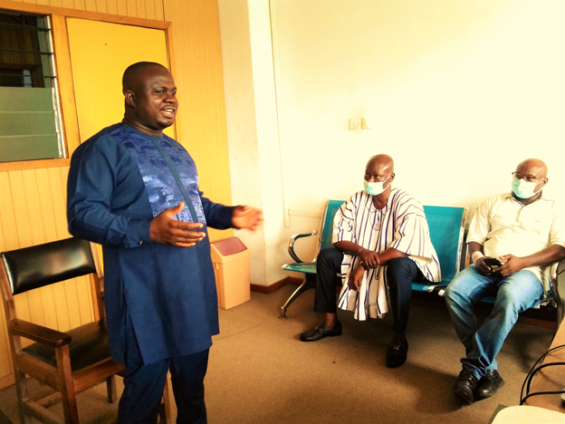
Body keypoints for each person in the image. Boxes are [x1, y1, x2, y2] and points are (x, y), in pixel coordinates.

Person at [67, 62, 262, 423]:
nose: (171, 99)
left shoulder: (176, 150)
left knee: (192, 391)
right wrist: (148, 230)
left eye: (173, 92)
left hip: (190, 292)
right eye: (159, 91)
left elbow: (194, 203)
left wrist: (228, 215)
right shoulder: (102, 149)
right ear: (130, 97)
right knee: (143, 397)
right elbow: (82, 215)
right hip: (144, 297)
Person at [300, 154, 441, 368]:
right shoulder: (356, 200)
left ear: (391, 177)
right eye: (367, 175)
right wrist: (363, 252)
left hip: (405, 260)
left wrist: (363, 265)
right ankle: (330, 324)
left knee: (399, 268)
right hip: (365, 255)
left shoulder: (407, 203)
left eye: (377, 176)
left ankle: (399, 337)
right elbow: (339, 237)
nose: (371, 181)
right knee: (326, 257)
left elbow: (405, 248)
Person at [445, 158, 565, 405]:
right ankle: (488, 369)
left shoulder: (555, 208)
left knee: (509, 297)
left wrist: (522, 262)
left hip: (528, 272)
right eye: (518, 175)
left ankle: (472, 370)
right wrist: (478, 259)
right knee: (454, 292)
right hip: (487, 267)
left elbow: (560, 249)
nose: (522, 181)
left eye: (530, 178)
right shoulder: (492, 202)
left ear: (544, 182)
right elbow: (475, 238)